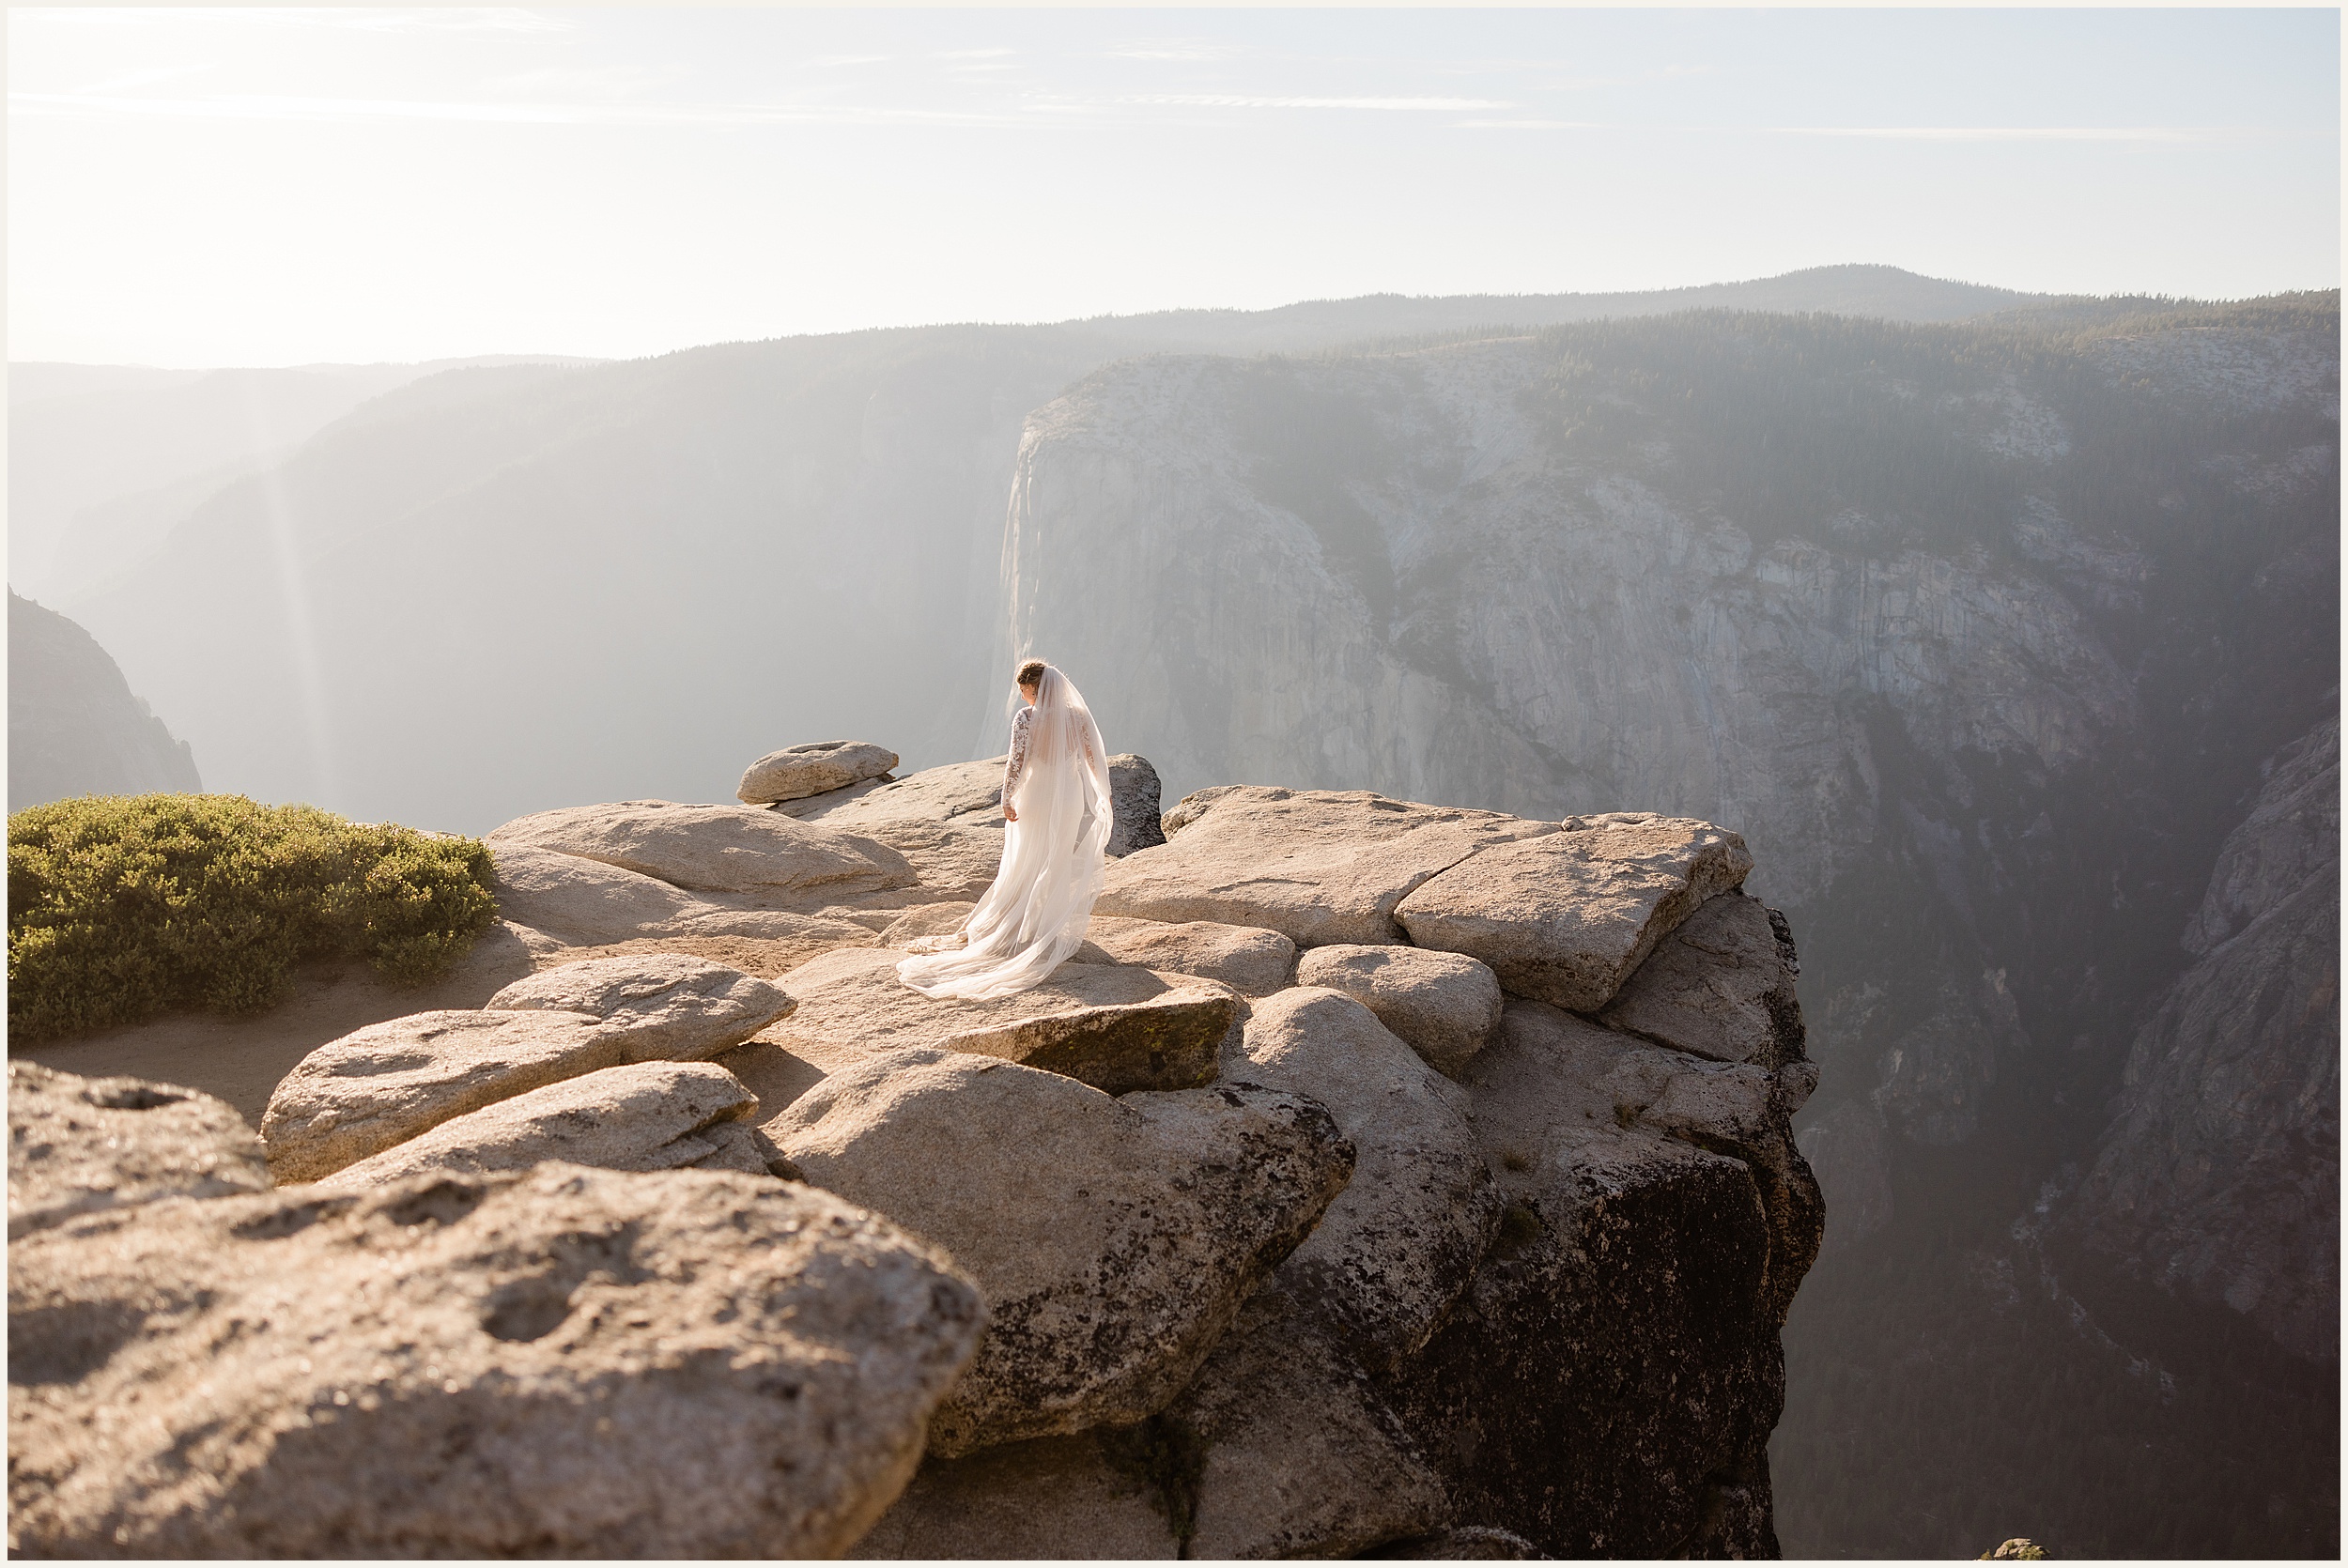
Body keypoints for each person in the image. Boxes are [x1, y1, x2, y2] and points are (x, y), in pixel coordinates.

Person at [896, 658, 1112, 999]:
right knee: (1055, 857)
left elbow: (1017, 760)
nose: (1023, 697)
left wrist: (1007, 795)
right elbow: (1092, 758)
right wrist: (1103, 796)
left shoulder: (1027, 718)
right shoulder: (1078, 717)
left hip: (1035, 796)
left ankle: (1016, 922)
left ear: (1033, 688)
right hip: (1068, 797)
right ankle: (1043, 923)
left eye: (1024, 691)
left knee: (1024, 858)